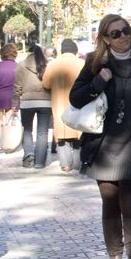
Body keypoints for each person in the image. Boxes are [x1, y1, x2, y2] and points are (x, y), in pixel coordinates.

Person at [70, 14, 131, 259]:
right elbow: (75, 98)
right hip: (102, 145)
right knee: (109, 201)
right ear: (104, 39)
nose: (122, 37)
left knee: (130, 203)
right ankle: (115, 257)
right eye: (115, 33)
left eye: (125, 31)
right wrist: (99, 81)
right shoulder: (95, 62)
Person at [42, 39, 86, 172]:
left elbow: (46, 84)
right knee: (79, 133)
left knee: (62, 134)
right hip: (79, 104)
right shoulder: (82, 63)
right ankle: (79, 163)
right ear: (75, 50)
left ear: (62, 50)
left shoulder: (53, 64)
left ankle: (66, 164)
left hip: (60, 103)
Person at [13, 44, 52, 168]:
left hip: (27, 102)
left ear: (28, 53)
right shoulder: (48, 65)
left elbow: (17, 86)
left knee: (27, 130)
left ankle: (29, 154)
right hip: (46, 102)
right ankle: (40, 162)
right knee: (42, 133)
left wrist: (15, 103)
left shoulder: (21, 65)